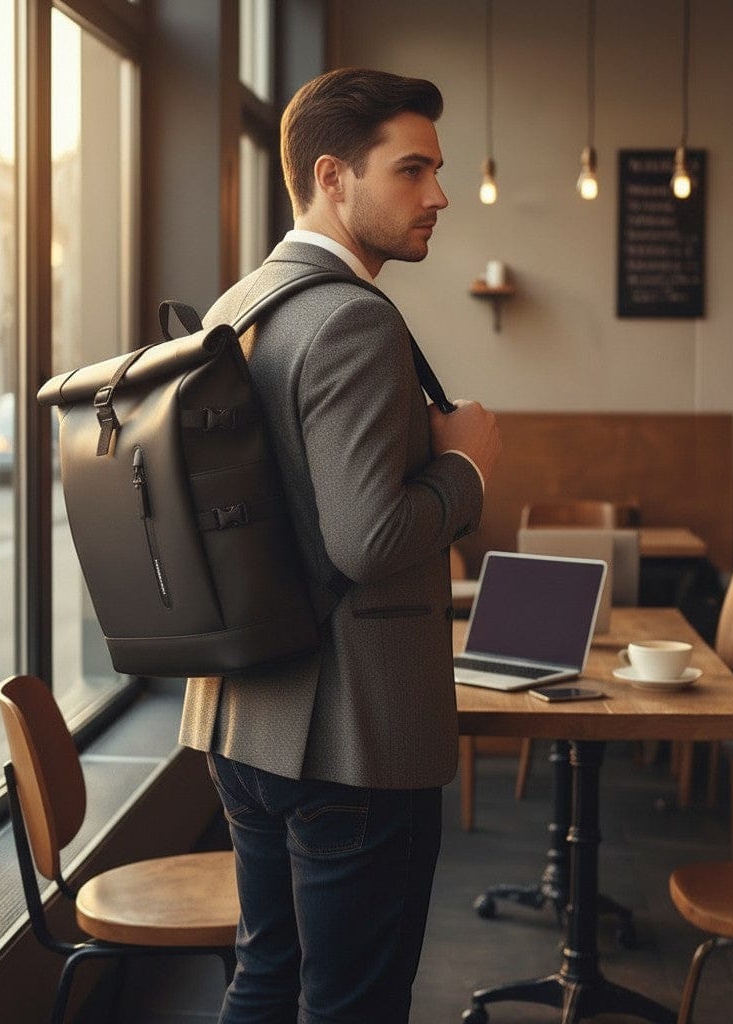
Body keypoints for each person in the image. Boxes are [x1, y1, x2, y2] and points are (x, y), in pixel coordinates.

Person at [179, 67, 501, 1023]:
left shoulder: (236, 307)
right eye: (412, 170)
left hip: (244, 719)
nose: (437, 194)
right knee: (353, 1004)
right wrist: (469, 470)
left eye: (437, 170)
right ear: (332, 176)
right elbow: (368, 541)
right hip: (355, 739)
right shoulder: (353, 319)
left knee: (268, 978)